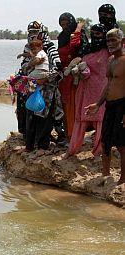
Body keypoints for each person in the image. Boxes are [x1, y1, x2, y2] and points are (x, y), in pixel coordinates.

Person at [85, 28, 125, 185]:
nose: (110, 43)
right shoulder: (110, 61)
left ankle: (123, 178)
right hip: (109, 105)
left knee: (122, 144)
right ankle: (105, 173)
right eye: (108, 40)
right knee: (105, 141)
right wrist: (98, 103)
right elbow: (108, 85)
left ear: (122, 41)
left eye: (113, 40)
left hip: (122, 105)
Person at [67, 24, 110, 157]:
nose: (95, 37)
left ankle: (98, 151)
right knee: (81, 118)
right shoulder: (88, 49)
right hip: (85, 89)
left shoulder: (108, 51)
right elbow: (85, 71)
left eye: (98, 34)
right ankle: (73, 149)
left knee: (100, 120)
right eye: (93, 34)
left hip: (100, 90)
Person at [58, 13, 90, 139]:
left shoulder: (79, 35)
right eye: (62, 24)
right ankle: (68, 133)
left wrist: (77, 29)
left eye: (67, 24)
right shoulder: (61, 37)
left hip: (74, 75)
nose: (65, 27)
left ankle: (75, 135)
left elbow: (76, 45)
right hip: (63, 75)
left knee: (74, 104)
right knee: (65, 104)